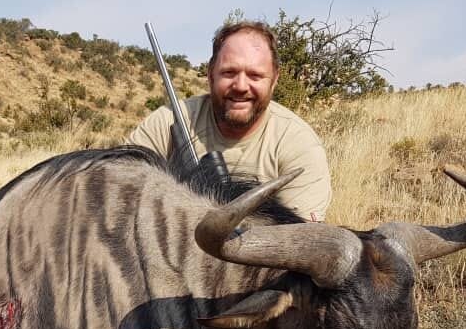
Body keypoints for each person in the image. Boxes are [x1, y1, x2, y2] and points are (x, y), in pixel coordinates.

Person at [127, 20, 332, 222]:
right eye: (229, 73)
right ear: (210, 75)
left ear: (274, 80)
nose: (241, 86)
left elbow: (298, 241)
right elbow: (119, 193)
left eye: (255, 75)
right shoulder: (166, 121)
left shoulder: (299, 144)